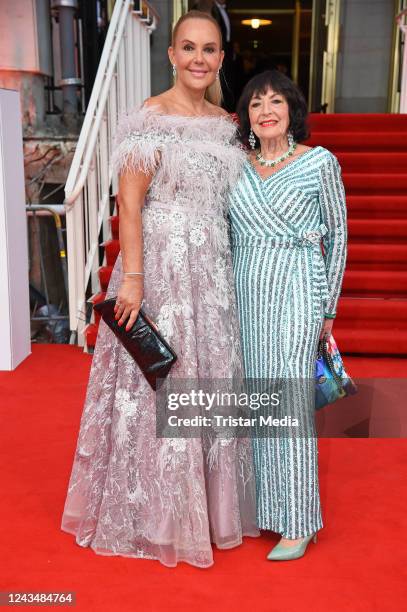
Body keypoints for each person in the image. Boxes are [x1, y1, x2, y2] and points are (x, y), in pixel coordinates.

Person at [61, 10, 259, 569]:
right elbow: (130, 205)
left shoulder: (227, 123)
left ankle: (208, 510)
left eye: (210, 49)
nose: (199, 58)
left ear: (222, 57)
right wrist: (133, 278)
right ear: (171, 55)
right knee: (161, 382)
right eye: (189, 47)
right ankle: (156, 514)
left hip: (214, 271)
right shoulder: (149, 116)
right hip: (165, 270)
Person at [228, 70, 347, 560]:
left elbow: (337, 235)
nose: (267, 110)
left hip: (300, 288)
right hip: (247, 294)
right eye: (257, 104)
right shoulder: (236, 166)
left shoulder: (319, 162)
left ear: (293, 110)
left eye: (276, 101)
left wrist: (328, 308)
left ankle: (299, 521)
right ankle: (269, 509)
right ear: (248, 117)